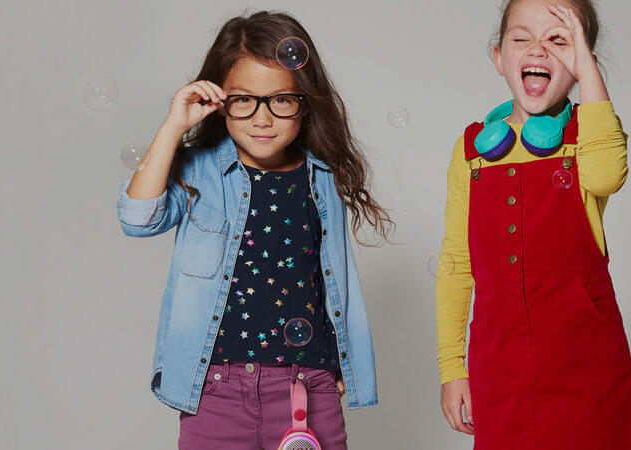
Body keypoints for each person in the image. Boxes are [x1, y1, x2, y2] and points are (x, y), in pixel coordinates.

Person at [116, 11, 392, 450]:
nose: (262, 118)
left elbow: (329, 282)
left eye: (281, 99)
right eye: (244, 100)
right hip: (214, 391)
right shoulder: (199, 169)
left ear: (305, 101)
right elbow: (137, 218)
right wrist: (173, 127)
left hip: (306, 388)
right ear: (219, 100)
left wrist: (337, 365)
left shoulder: (322, 179)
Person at [435, 1, 631, 448]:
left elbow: (608, 176)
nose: (538, 49)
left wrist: (589, 72)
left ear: (582, 62)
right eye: (521, 39)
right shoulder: (471, 152)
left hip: (588, 367)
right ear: (499, 56)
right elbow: (456, 263)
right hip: (498, 365)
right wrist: (452, 368)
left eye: (559, 41)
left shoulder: (587, 137)